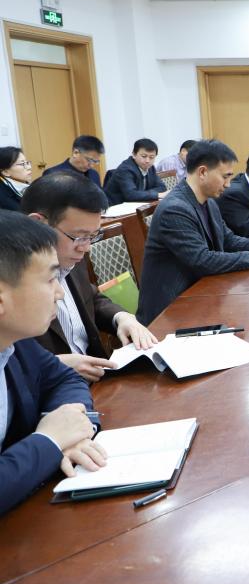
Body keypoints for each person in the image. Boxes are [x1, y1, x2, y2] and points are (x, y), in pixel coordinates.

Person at [0, 210, 106, 514]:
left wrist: (69, 427)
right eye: (50, 280)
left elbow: (63, 378)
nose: (59, 293)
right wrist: (49, 441)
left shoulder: (16, 341)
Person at [21, 174, 158, 382]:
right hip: (53, 390)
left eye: (92, 236)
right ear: (38, 224)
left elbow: (90, 297)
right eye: (79, 236)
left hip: (97, 379)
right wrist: (55, 366)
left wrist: (121, 317)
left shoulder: (69, 253)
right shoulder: (11, 280)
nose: (86, 248)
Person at [136, 140, 249, 325]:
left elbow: (228, 240)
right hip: (169, 312)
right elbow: (202, 260)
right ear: (203, 172)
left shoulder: (209, 201)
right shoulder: (174, 209)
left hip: (200, 296)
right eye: (225, 177)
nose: (228, 184)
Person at [104, 138, 168, 205]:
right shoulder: (125, 169)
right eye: (144, 156)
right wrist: (157, 195)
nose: (147, 161)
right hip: (116, 207)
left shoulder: (150, 167)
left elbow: (162, 187)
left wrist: (141, 194)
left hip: (136, 204)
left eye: (151, 157)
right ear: (134, 155)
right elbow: (131, 195)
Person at [0, 146, 32, 212]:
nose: (29, 167)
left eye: (27, 162)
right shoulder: (3, 197)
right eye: (22, 164)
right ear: (5, 172)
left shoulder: (25, 185)